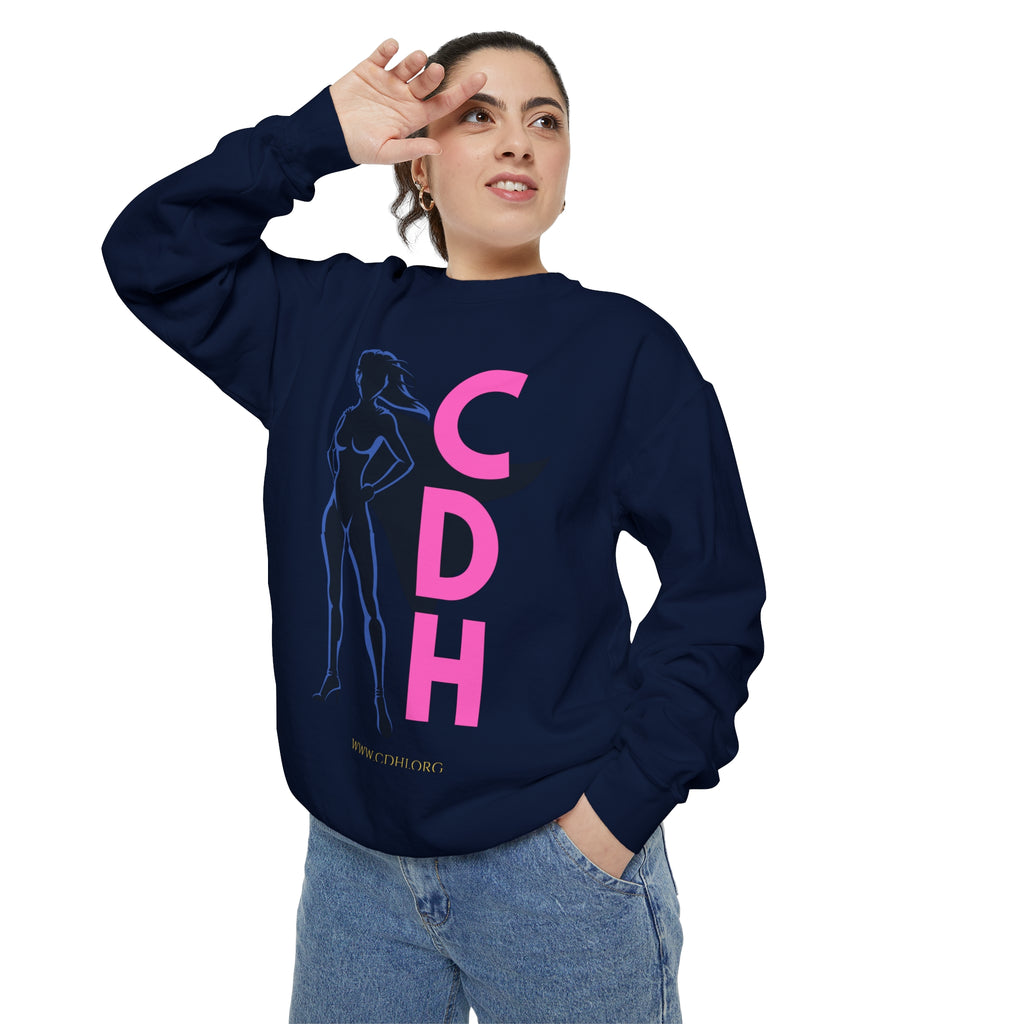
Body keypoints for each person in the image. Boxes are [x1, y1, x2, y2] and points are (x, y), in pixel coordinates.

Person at [101, 31, 766, 1024]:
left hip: (555, 871)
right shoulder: (326, 323)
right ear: (418, 158)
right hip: (354, 869)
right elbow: (152, 255)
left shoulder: (625, 351)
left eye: (545, 120)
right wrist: (314, 137)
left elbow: (715, 592)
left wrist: (618, 813)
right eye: (477, 115)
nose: (518, 141)